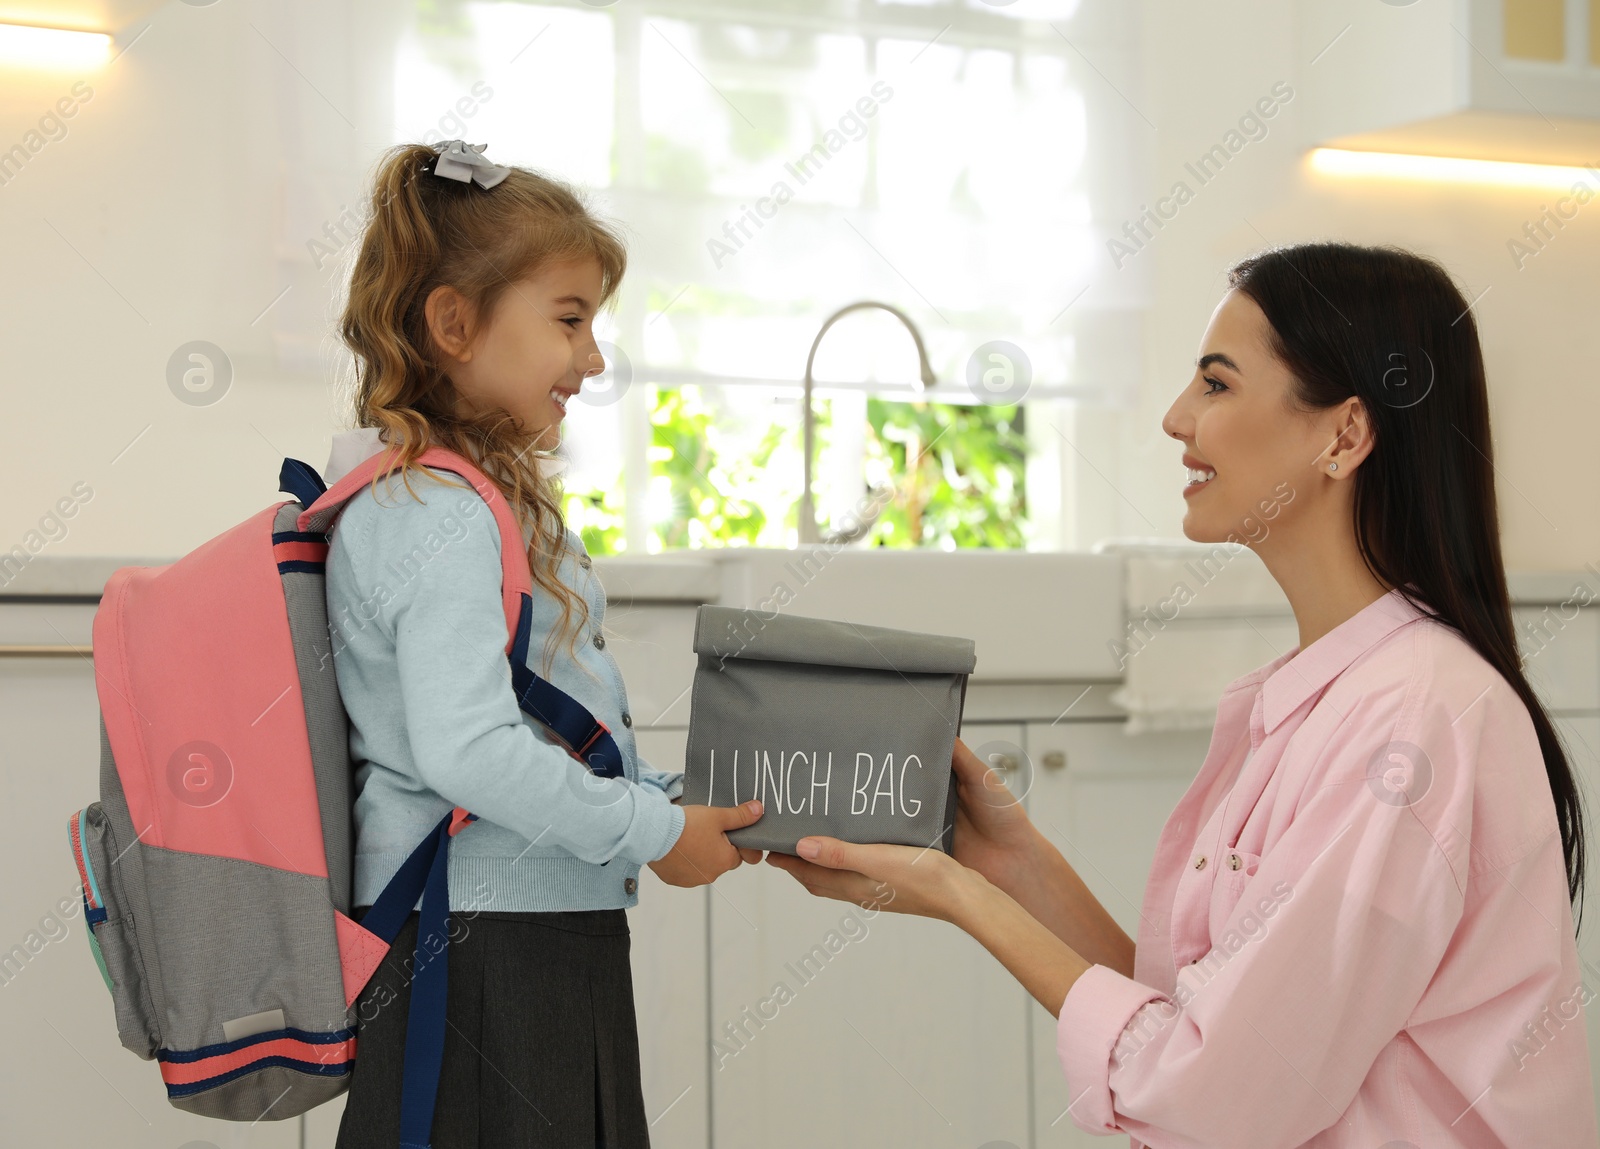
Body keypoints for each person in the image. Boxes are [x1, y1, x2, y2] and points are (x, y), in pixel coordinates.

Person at [770, 242, 1598, 1147]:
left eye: (1215, 383)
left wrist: (959, 896)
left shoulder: (1412, 720)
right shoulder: (1346, 692)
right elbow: (1209, 1031)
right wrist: (1009, 866)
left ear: (1345, 435)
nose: (1175, 418)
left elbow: (1213, 1092)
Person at [324, 141, 764, 1149]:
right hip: (476, 945)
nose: (594, 358)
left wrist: (662, 809)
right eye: (569, 320)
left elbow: (529, 724)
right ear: (453, 323)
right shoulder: (436, 514)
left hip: (523, 931)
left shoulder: (471, 501)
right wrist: (655, 833)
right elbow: (466, 752)